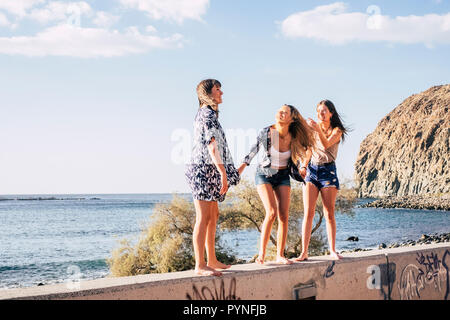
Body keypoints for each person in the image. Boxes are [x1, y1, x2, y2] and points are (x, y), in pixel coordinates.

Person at [238, 105, 314, 265]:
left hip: (282, 176)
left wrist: (303, 166)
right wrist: (241, 167)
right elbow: (253, 150)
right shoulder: (266, 132)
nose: (280, 113)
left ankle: (280, 255)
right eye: (280, 110)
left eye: (285, 112)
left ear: (292, 119)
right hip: (264, 174)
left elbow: (308, 150)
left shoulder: (294, 135)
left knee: (284, 216)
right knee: (271, 212)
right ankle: (261, 254)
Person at [185, 79, 240, 276]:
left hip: (208, 169)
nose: (222, 93)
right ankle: (200, 265)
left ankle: (212, 259)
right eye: (218, 89)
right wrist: (222, 172)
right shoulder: (207, 114)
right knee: (203, 216)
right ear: (207, 93)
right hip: (202, 169)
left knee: (213, 215)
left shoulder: (209, 114)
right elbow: (212, 145)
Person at [294, 99, 348, 261]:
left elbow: (325, 146)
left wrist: (316, 129)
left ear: (331, 113)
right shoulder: (313, 129)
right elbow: (310, 150)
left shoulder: (337, 130)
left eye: (324, 111)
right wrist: (303, 165)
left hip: (328, 171)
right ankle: (304, 252)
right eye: (319, 111)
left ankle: (332, 250)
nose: (321, 114)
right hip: (312, 170)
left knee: (329, 213)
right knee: (308, 213)